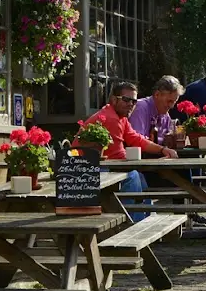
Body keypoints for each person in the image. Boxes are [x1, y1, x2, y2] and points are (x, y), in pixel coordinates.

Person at [74, 81, 178, 222]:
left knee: (137, 176)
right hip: (80, 170)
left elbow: (136, 139)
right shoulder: (111, 118)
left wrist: (162, 149)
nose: (130, 104)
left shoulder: (120, 117)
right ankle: (130, 223)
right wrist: (151, 160)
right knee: (133, 176)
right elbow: (119, 156)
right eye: (126, 99)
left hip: (97, 166)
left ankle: (144, 219)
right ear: (113, 99)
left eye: (134, 101)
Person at [128, 75, 183, 145]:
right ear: (157, 94)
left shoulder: (166, 117)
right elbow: (136, 142)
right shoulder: (140, 108)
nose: (171, 106)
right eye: (169, 101)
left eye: (174, 102)